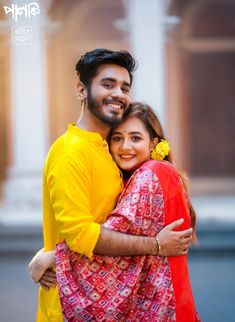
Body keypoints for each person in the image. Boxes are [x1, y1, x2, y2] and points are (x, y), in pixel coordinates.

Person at [29, 49, 193, 322]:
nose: (118, 93)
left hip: (106, 303)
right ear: (82, 89)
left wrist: (51, 256)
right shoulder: (71, 152)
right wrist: (156, 245)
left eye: (124, 87)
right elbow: (82, 236)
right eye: (108, 84)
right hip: (71, 306)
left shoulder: (109, 151)